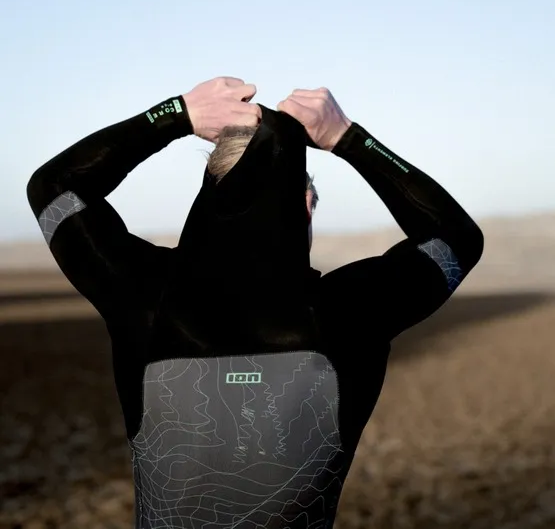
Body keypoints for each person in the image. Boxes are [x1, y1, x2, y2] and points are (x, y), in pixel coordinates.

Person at [27, 76, 484, 529]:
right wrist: (346, 137)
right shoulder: (350, 311)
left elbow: (53, 188)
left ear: (210, 192)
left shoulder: (143, 295)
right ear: (305, 206)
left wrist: (176, 114)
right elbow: (457, 237)